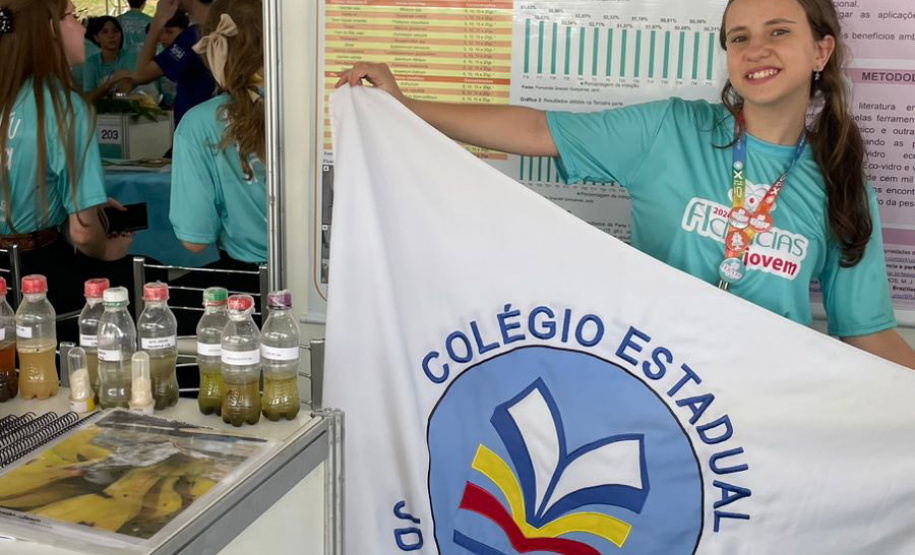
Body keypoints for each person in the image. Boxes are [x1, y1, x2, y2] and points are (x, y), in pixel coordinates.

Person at [337, 0, 915, 368]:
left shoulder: (841, 182)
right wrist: (406, 105)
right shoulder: (668, 129)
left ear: (821, 50)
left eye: (778, 31)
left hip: (764, 414)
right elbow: (539, 128)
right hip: (648, 385)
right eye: (738, 37)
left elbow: (869, 334)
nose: (755, 49)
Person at [0, 0, 133, 314]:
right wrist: (106, 248)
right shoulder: (64, 107)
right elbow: (84, 232)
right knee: (144, 281)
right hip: (39, 277)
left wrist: (85, 204)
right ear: (51, 30)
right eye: (74, 16)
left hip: (11, 275)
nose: (83, 27)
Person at [169, 0, 266, 268]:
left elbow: (195, 239)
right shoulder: (316, 109)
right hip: (329, 280)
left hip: (249, 285)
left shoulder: (198, 124)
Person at [126, 0, 216, 128]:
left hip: (195, 127)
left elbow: (140, 74)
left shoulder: (192, 37)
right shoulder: (228, 27)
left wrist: (158, 20)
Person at [82, 16, 136, 101]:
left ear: (121, 35)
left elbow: (128, 90)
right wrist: (111, 82)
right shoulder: (91, 62)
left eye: (115, 31)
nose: (111, 36)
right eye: (104, 32)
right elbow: (88, 97)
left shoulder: (131, 57)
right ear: (96, 38)